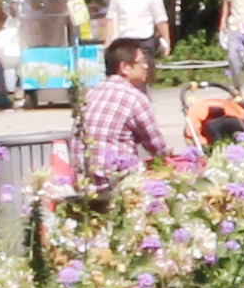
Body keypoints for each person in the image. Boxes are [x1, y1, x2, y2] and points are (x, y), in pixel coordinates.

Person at [76, 36, 187, 184]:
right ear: (125, 68)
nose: (146, 66)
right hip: (116, 182)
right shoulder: (134, 98)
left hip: (83, 180)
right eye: (142, 62)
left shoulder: (92, 93)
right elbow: (157, 148)